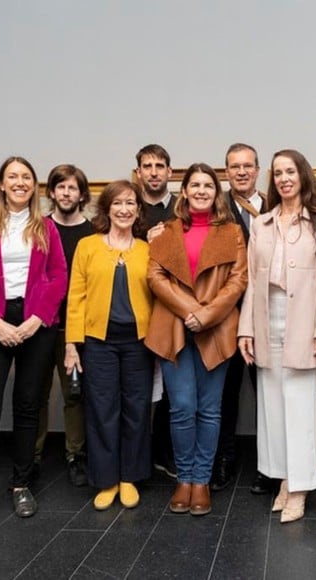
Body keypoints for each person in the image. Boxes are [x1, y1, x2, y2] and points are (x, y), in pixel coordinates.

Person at [0, 156, 67, 529]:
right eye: (12, 177)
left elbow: (58, 277)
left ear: (34, 186)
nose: (19, 182)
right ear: (1, 184)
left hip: (37, 321)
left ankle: (20, 483)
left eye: (26, 177)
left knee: (27, 404)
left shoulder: (46, 228)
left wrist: (36, 319)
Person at [238, 149, 316, 523]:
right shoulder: (261, 224)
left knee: (299, 409)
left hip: (304, 325)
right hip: (267, 323)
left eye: (290, 171)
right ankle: (283, 479)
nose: (284, 178)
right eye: (278, 172)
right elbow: (252, 281)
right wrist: (245, 329)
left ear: (302, 176)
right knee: (272, 410)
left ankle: (299, 488)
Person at [145, 163, 247, 517]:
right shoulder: (165, 232)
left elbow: (238, 281)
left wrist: (205, 315)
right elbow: (155, 277)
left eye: (208, 185)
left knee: (209, 409)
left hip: (215, 329)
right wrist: (190, 308)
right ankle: (183, 478)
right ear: (184, 191)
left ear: (215, 193)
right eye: (195, 185)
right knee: (181, 408)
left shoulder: (232, 232)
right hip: (173, 328)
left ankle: (201, 480)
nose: (202, 190)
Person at [65, 180, 154, 511]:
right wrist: (72, 344)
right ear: (107, 209)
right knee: (101, 410)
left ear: (138, 210)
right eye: (118, 203)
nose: (124, 209)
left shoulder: (146, 250)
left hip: (138, 343)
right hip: (98, 342)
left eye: (131, 203)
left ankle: (129, 477)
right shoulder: (87, 246)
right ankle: (106, 480)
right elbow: (75, 297)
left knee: (137, 408)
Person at [211, 142, 273, 495]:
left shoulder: (275, 206)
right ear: (226, 172)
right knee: (226, 394)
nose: (242, 171)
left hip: (266, 317)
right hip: (227, 317)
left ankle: (268, 466)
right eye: (235, 166)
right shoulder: (215, 208)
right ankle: (224, 460)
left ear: (258, 169)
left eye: (248, 165)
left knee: (267, 394)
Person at [34, 164, 94, 487]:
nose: (66, 194)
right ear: (52, 193)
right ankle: (33, 456)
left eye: (72, 188)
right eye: (61, 188)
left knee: (75, 395)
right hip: (40, 325)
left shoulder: (93, 232)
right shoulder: (39, 229)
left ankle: (75, 455)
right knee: (36, 393)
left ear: (81, 194)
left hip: (78, 327)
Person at [134, 144, 178, 481]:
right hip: (135, 311)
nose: (153, 171)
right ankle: (137, 457)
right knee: (138, 388)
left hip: (175, 310)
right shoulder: (127, 208)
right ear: (138, 172)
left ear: (169, 172)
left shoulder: (183, 208)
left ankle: (165, 455)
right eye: (147, 166)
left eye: (159, 165)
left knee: (172, 389)